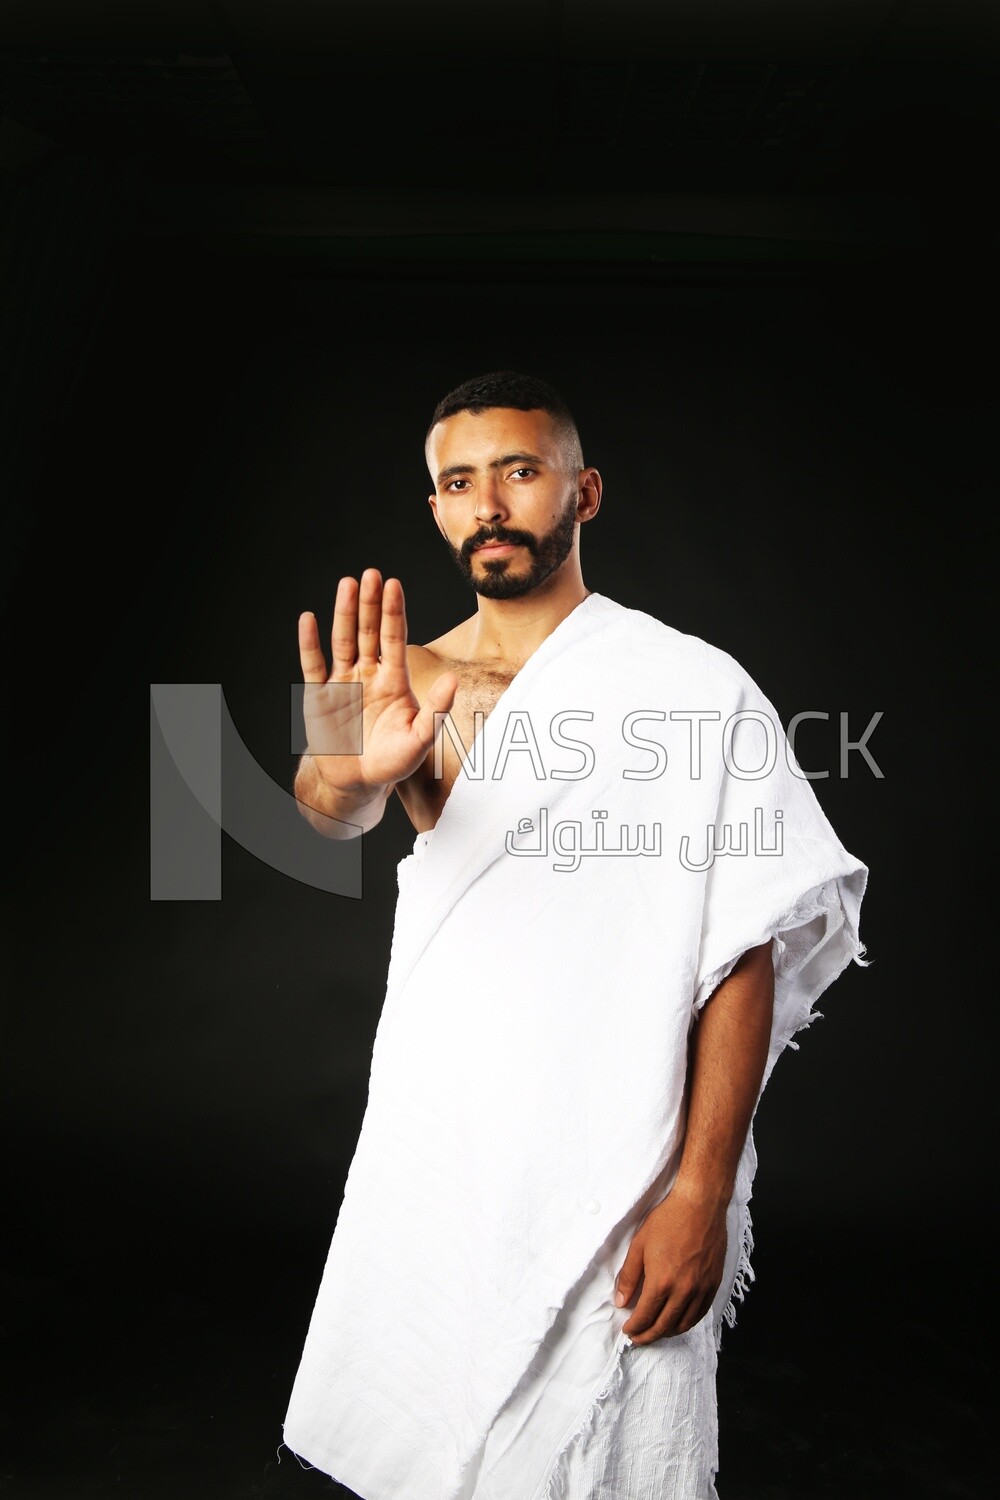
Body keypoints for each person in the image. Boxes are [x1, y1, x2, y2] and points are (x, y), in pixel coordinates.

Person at [282, 371, 867, 1499]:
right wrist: (350, 777)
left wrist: (697, 1191)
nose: (490, 503)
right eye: (459, 482)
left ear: (582, 492)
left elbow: (742, 945)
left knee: (605, 1444)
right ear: (438, 511)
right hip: (444, 1140)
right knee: (437, 1421)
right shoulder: (408, 678)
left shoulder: (694, 691)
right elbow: (330, 801)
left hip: (618, 1145)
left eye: (520, 470)